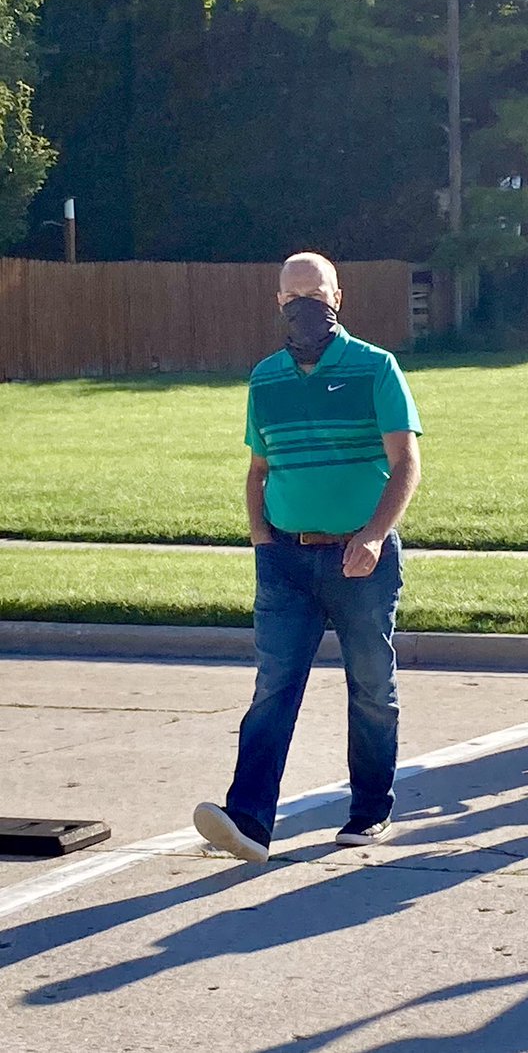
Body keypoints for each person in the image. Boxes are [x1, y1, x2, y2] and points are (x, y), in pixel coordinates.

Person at [193, 252, 422, 861]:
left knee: (372, 684)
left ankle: (370, 810)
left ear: (338, 298)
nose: (305, 307)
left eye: (315, 295)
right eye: (293, 297)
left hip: (361, 558)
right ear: (277, 304)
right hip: (285, 560)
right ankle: (248, 821)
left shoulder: (376, 368)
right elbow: (258, 468)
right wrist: (262, 540)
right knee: (274, 685)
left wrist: (373, 535)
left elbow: (406, 463)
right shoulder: (264, 377)